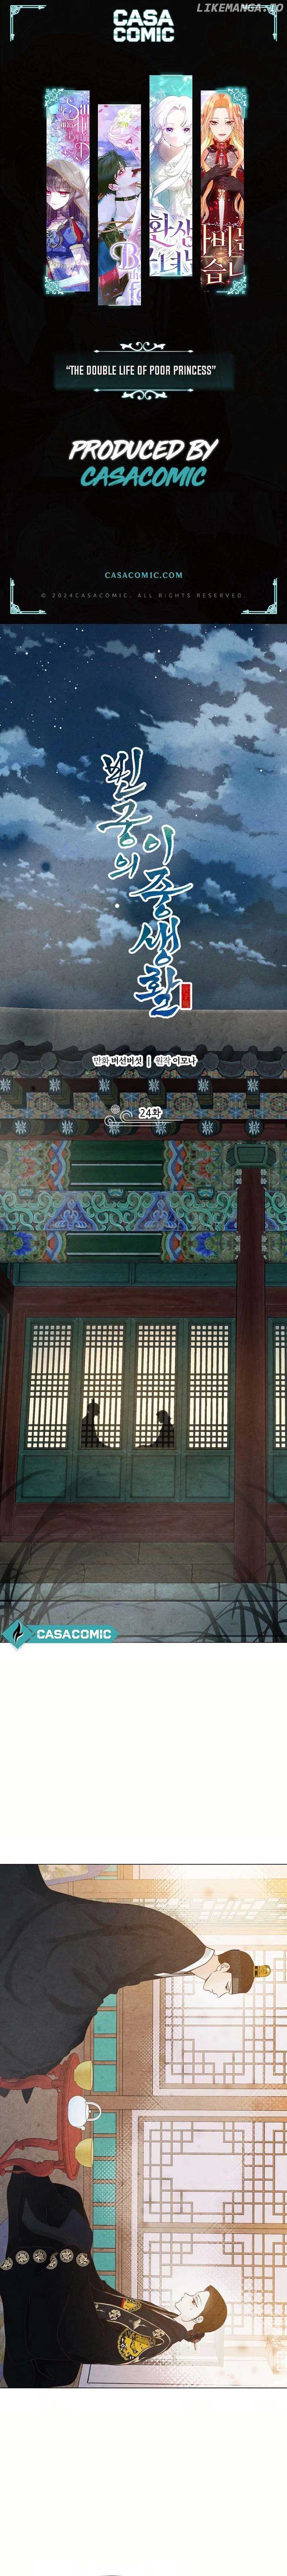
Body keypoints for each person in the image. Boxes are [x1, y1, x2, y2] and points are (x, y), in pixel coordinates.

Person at [0, 1868, 270, 2093]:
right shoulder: (180, 1949)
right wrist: (84, 2004)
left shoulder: (189, 1959)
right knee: (46, 2035)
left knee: (60, 2033)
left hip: (84, 1960)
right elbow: (103, 1955)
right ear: (224, 1967)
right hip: (72, 1947)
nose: (220, 1994)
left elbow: (121, 1970)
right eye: (226, 1987)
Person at [0, 2167, 227, 2386]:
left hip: (62, 2329)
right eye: (195, 2295)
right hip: (81, 2305)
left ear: (197, 2320)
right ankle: (29, 2179)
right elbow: (113, 2298)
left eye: (194, 2301)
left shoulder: (161, 2339)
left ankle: (27, 2194)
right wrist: (87, 2276)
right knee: (76, 2215)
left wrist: (79, 2283)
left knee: (72, 2251)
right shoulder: (168, 2317)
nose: (187, 2295)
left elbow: (93, 2343)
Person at [201, 92, 244, 286]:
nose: (221, 129)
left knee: (234, 276)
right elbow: (186, 193)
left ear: (235, 124)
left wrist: (240, 186)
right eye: (215, 122)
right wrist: (209, 176)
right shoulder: (202, 154)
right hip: (206, 224)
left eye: (228, 123)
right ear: (207, 123)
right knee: (208, 275)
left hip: (236, 226)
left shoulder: (240, 153)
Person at [46, 158, 90, 290]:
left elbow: (85, 276)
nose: (53, 199)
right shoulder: (48, 223)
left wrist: (52, 287)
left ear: (74, 193)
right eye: (48, 192)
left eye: (63, 193)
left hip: (70, 288)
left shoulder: (74, 229)